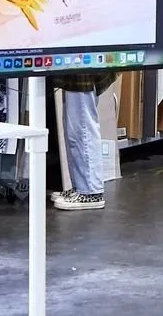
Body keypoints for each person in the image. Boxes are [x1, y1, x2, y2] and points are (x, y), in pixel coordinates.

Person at [48, 70, 115, 211]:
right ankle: (81, 188)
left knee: (82, 125)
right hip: (77, 65)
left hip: (81, 65)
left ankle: (90, 192)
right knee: (75, 127)